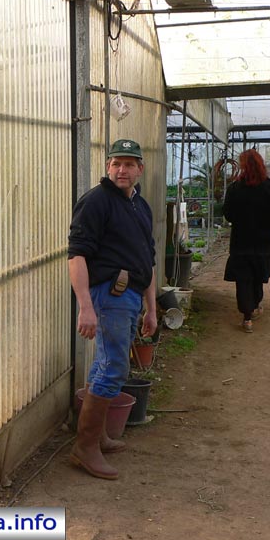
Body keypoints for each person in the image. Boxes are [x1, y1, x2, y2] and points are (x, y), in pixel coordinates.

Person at [67, 138, 157, 480]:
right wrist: (85, 307)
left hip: (131, 296)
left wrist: (151, 309)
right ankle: (85, 447)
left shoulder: (140, 205)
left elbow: (146, 261)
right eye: (116, 163)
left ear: (140, 169)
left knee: (105, 364)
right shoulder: (96, 201)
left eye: (129, 164)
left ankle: (98, 435)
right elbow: (77, 255)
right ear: (107, 167)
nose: (122, 170)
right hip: (110, 295)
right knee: (114, 367)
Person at [223, 149, 270, 333]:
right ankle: (254, 306)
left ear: (244, 166)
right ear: (262, 165)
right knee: (257, 277)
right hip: (262, 242)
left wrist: (240, 216)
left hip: (240, 242)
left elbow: (228, 214)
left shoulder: (234, 189)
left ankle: (247, 317)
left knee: (243, 279)